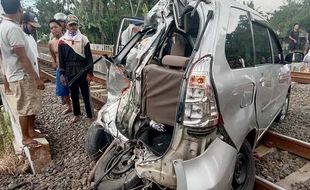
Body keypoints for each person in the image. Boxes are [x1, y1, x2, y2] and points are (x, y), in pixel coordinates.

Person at [0, 0, 45, 147]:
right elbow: (22, 57)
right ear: (19, 9)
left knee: (30, 104)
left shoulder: (4, 26)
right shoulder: (12, 28)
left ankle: (31, 131)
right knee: (25, 107)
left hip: (19, 74)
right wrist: (36, 78)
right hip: (21, 75)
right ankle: (25, 137)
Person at [58, 14, 94, 124]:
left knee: (85, 94)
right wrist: (62, 74)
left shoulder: (83, 39)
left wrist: (89, 72)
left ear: (77, 26)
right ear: (67, 27)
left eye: (75, 25)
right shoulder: (62, 41)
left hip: (82, 69)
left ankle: (89, 115)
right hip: (69, 70)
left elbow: (89, 57)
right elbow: (61, 59)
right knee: (73, 94)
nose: (73, 27)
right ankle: (76, 114)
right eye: (70, 25)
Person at [48, 19, 72, 114]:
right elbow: (52, 55)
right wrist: (54, 62)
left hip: (70, 68)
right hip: (60, 69)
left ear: (61, 27)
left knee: (73, 88)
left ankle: (76, 107)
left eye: (55, 27)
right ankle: (69, 106)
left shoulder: (68, 39)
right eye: (51, 28)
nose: (53, 30)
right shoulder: (51, 43)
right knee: (63, 90)